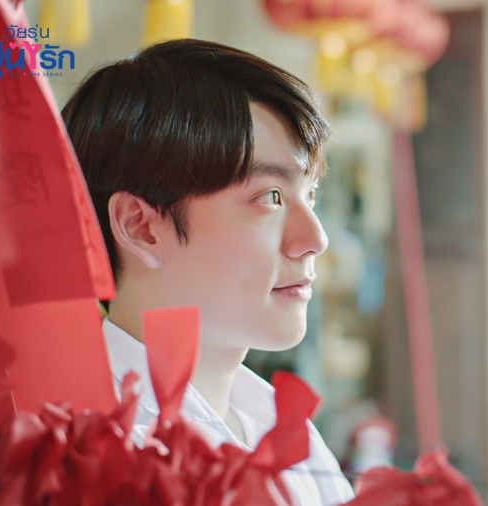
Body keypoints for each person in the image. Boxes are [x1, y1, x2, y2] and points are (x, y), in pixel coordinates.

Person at [62, 39, 354, 505]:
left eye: (310, 194)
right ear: (141, 226)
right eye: (270, 197)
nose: (315, 238)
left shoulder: (283, 431)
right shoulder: (88, 458)